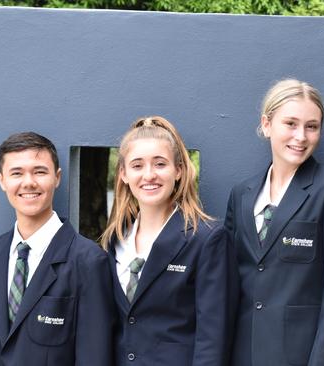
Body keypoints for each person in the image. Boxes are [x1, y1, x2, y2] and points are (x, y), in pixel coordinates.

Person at [225, 79, 324, 365]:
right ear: (267, 124)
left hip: (302, 355)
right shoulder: (242, 195)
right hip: (244, 353)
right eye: (291, 123)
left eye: (311, 126)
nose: (301, 136)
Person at [0, 132, 115, 365]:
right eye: (16, 173)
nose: (28, 182)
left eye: (39, 171)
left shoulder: (89, 260)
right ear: (2, 180)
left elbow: (95, 357)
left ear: (57, 177)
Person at [101, 116, 237, 366]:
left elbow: (213, 340)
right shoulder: (114, 240)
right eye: (137, 165)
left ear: (179, 171)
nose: (149, 175)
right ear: (123, 174)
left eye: (160, 164)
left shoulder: (207, 238)